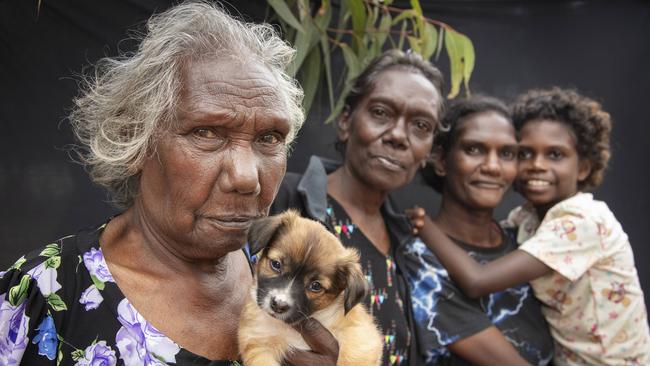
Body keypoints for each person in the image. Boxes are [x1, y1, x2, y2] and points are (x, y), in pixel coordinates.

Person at [0, 3, 339, 365]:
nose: (246, 177)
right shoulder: (43, 295)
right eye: (206, 132)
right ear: (134, 139)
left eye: (269, 137)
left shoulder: (296, 284)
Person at [416, 88, 650, 365]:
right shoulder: (525, 221)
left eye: (555, 155)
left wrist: (423, 225)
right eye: (525, 153)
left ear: (584, 168)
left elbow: (478, 281)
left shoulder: (583, 221)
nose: (537, 165)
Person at [271, 49, 443, 366]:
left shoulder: (410, 246)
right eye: (381, 112)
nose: (398, 136)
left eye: (420, 125)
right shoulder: (282, 203)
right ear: (347, 121)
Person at [404, 96, 554, 365]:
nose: (493, 167)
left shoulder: (524, 243)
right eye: (474, 150)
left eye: (507, 154)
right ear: (440, 160)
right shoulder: (420, 258)